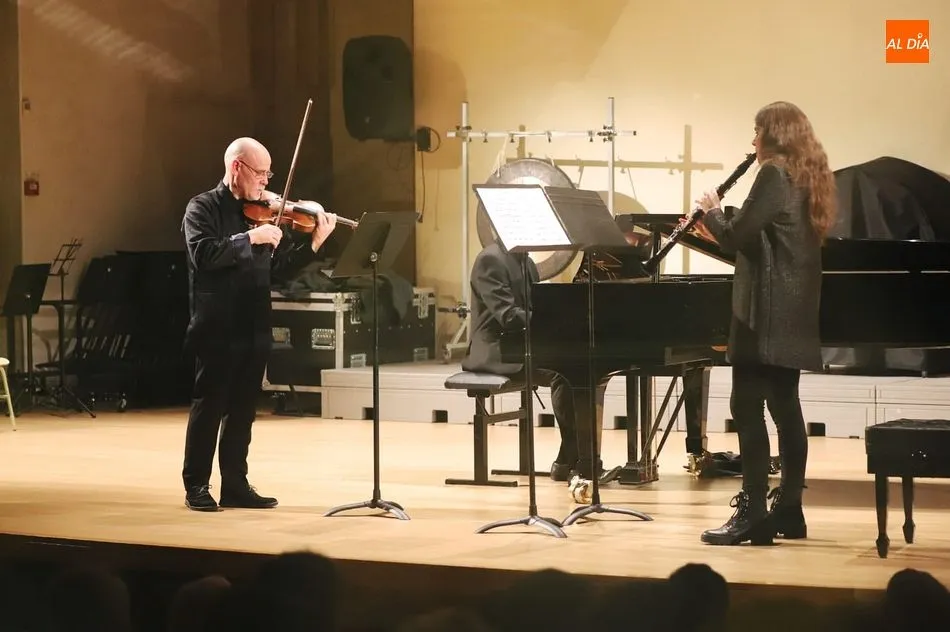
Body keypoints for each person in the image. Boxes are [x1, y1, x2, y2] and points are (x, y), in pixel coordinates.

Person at [693, 101, 836, 545]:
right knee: (786, 409)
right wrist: (724, 225)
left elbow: (739, 238)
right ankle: (789, 511)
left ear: (772, 134)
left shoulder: (773, 172)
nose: (752, 141)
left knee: (746, 409)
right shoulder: (808, 174)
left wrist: (713, 210)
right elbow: (766, 239)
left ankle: (753, 510)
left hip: (764, 314)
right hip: (790, 313)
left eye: (756, 132)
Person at [180, 137, 338, 511]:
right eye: (261, 173)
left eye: (269, 174)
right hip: (217, 325)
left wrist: (313, 245)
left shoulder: (265, 211)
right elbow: (203, 255)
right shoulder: (201, 208)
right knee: (211, 404)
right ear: (237, 167)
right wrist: (248, 237)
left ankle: (235, 484)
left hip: (254, 324)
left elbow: (277, 270)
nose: (266, 182)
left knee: (244, 409)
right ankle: (197, 487)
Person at [461, 240, 606, 483]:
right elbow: (507, 315)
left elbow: (535, 305)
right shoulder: (490, 260)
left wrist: (563, 315)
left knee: (578, 366)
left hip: (518, 346)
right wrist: (555, 321)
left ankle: (573, 457)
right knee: (562, 372)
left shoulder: (526, 261)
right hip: (495, 351)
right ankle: (572, 454)